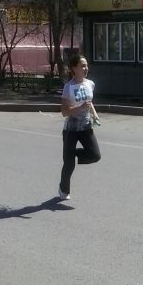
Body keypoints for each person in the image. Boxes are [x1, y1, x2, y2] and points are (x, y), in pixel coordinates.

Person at [57, 55, 101, 200]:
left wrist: (94, 115)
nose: (86, 68)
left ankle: (73, 153)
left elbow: (89, 102)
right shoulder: (68, 87)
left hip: (86, 127)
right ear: (74, 69)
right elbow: (64, 112)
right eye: (82, 66)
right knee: (68, 164)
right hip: (71, 129)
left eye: (86, 65)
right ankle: (63, 190)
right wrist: (79, 107)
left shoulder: (90, 84)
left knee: (95, 155)